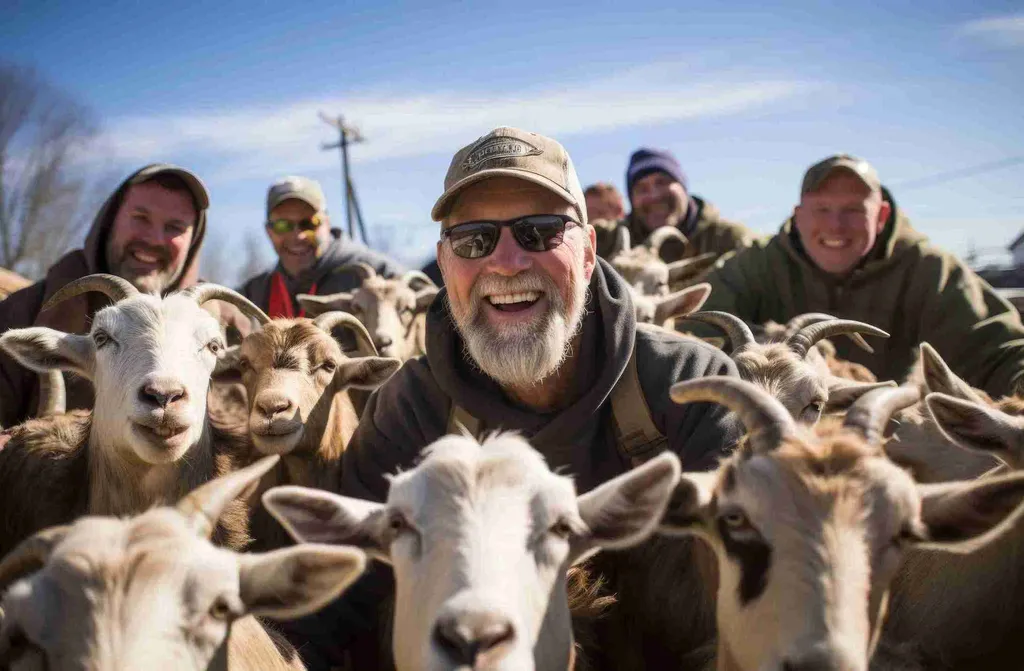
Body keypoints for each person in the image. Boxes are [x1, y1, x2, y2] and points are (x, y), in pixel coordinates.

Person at [282, 126, 741, 668]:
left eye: (540, 232)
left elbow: (755, 605)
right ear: (445, 263)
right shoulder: (411, 409)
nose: (506, 263)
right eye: (474, 240)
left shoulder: (690, 387)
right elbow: (338, 615)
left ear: (589, 250)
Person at [698, 153, 1024, 396]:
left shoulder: (928, 269)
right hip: (775, 425)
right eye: (822, 210)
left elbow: (996, 351)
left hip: (884, 430)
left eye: (854, 210)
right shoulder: (756, 264)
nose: (836, 226)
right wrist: (771, 351)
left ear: (881, 216)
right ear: (798, 216)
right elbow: (693, 333)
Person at [0, 164, 239, 427]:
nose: (154, 239)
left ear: (193, 242)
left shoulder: (230, 323)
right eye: (140, 217)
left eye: (175, 227)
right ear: (110, 221)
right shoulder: (21, 312)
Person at [239, 175, 403, 317]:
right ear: (269, 231)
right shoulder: (255, 294)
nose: (298, 235)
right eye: (283, 225)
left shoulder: (380, 273)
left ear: (327, 223)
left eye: (309, 223)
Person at [595, 147, 755, 260]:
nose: (654, 196)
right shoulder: (609, 241)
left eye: (662, 182)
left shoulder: (730, 240)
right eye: (642, 189)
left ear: (683, 187)